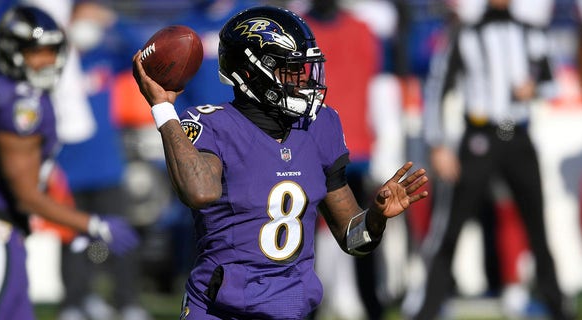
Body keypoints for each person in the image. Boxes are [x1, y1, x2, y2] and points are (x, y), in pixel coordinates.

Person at [132, 5, 428, 319]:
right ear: (250, 72)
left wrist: (376, 217)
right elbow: (199, 192)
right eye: (288, 68)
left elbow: (353, 239)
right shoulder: (211, 124)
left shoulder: (319, 125)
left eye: (304, 68)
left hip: (290, 311)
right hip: (220, 310)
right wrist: (164, 110)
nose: (301, 78)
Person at [0, 6, 139, 320]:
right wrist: (92, 224)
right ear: (14, 51)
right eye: (37, 52)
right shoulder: (22, 105)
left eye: (52, 51)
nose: (47, 60)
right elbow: (25, 194)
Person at [402, 0, 574, 319]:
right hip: (480, 135)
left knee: (537, 226)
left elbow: (552, 83)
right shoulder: (465, 33)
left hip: (517, 134)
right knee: (450, 227)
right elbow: (438, 88)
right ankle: (427, 307)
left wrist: (533, 88)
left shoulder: (532, 34)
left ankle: (557, 306)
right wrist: (437, 144)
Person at [54, 2, 149, 320]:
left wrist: (112, 20)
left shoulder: (103, 57)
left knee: (121, 238)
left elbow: (142, 53)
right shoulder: (55, 62)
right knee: (73, 243)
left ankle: (128, 302)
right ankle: (75, 302)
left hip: (107, 167)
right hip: (67, 169)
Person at [302, 0, 387, 318]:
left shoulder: (363, 29)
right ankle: (308, 306)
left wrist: (382, 139)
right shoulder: (298, 30)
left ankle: (370, 304)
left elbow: (378, 86)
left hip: (356, 150)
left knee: (362, 232)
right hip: (309, 149)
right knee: (304, 237)